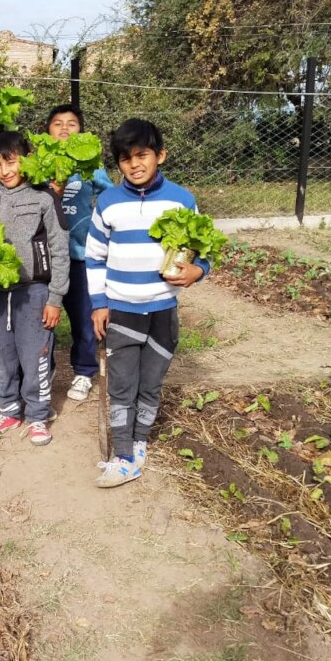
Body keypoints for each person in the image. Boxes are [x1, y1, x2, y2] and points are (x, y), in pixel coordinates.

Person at [86, 118, 210, 487]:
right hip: (121, 310)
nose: (134, 164)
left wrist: (197, 272)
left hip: (162, 311)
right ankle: (124, 455)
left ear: (161, 155)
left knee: (151, 382)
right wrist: (99, 304)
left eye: (142, 155)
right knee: (121, 384)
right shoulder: (108, 203)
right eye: (125, 159)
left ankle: (140, 440)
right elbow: (94, 257)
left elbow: (203, 251)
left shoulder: (181, 200)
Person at [0, 131, 69, 446]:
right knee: (1, 356)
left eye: (11, 162)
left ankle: (38, 415)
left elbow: (59, 250)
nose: (5, 171)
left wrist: (55, 298)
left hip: (35, 293)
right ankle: (8, 410)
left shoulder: (44, 199)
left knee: (35, 356)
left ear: (26, 160)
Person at [44, 104, 114, 403]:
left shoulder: (91, 164)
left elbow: (109, 195)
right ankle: (43, 370)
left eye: (71, 123)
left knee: (84, 318)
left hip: (80, 255)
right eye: (57, 123)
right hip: (45, 258)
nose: (64, 128)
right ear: (47, 131)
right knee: (43, 319)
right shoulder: (38, 162)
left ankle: (84, 371)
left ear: (81, 131)